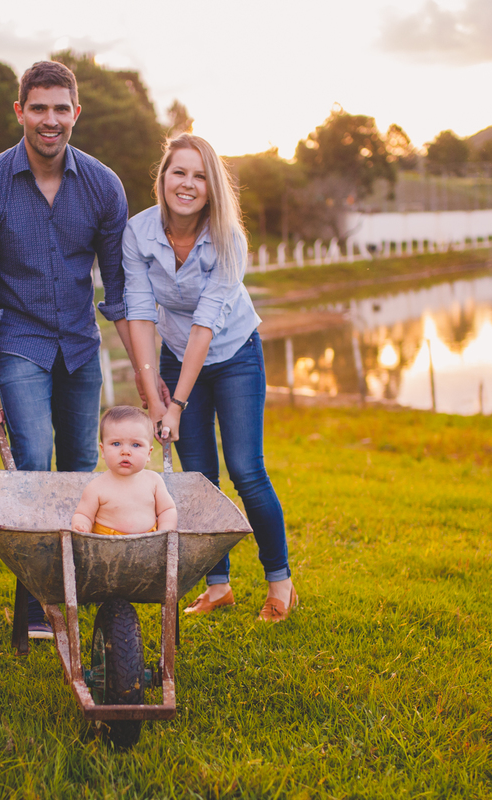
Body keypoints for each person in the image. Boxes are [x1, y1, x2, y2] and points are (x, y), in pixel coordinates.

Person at [0, 61, 167, 639]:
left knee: (80, 473)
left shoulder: (102, 186)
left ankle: (80, 596)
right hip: (19, 346)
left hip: (78, 345)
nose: (50, 120)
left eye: (61, 108)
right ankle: (34, 604)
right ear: (20, 111)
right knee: (34, 464)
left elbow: (121, 296)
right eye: (39, 107)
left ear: (77, 113)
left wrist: (150, 390)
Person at [122, 134, 296, 622]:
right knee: (198, 478)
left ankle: (279, 581)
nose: (188, 184)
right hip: (178, 356)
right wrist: (151, 393)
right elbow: (139, 310)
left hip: (235, 352)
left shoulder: (228, 238)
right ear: (163, 178)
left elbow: (206, 321)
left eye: (200, 176)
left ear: (212, 187)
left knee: (245, 469)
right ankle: (217, 586)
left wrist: (175, 404)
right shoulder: (137, 233)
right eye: (179, 172)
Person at [72, 406, 178, 536]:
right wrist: (82, 525)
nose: (125, 452)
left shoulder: (154, 481)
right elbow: (83, 514)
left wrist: (164, 533)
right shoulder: (96, 487)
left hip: (150, 544)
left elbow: (167, 510)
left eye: (135, 445)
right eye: (116, 444)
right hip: (106, 545)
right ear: (103, 450)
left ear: (149, 453)